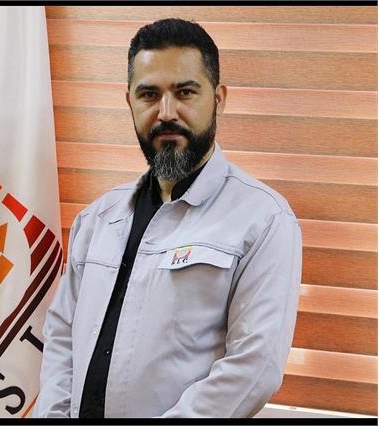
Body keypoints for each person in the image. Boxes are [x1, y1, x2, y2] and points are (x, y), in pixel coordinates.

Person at [34, 18, 302, 418]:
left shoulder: (264, 219)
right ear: (129, 102)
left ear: (218, 99)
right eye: (149, 94)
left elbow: (254, 367)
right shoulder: (98, 217)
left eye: (185, 92)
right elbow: (62, 336)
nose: (165, 112)